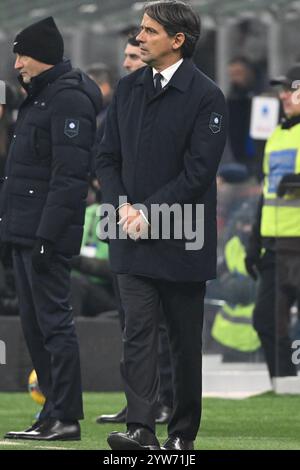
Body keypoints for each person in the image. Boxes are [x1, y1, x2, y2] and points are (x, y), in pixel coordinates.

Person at [96, 0, 227, 450]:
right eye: (140, 29)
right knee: (137, 335)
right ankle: (140, 429)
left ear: (177, 41)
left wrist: (146, 211)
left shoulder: (207, 96)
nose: (139, 37)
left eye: (149, 31)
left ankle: (182, 436)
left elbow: (199, 171)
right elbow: (107, 157)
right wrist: (122, 207)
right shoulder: (129, 88)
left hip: (182, 238)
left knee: (184, 344)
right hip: (130, 236)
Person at [1, 17, 102, 441]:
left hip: (44, 234)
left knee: (54, 324)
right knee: (35, 327)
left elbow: (68, 176)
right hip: (25, 231)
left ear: (40, 55)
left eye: (22, 54)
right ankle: (50, 413)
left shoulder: (68, 100)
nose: (18, 63)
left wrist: (48, 235)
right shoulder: (40, 98)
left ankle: (65, 416)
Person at [96, 27, 173, 428]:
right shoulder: (123, 103)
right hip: (121, 215)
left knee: (154, 318)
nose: (126, 63)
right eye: (126, 57)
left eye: (133, 56)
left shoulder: (163, 104)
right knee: (131, 319)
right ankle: (138, 402)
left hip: (163, 220)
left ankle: (163, 402)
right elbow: (106, 158)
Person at [245, 64, 300, 379]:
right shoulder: (277, 134)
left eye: (290, 89)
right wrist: (255, 242)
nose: (283, 96)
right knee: (266, 321)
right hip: (276, 245)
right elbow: (267, 193)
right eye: (281, 91)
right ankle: (285, 385)